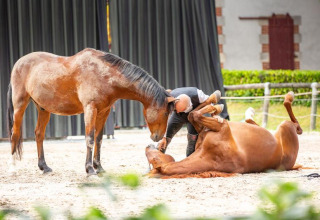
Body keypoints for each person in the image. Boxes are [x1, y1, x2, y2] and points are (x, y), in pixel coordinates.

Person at [157, 87, 221, 157]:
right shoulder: (171, 99)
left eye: (180, 109)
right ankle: (157, 158)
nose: (177, 111)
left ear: (188, 105)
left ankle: (189, 162)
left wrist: (214, 113)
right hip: (177, 116)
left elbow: (209, 103)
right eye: (176, 109)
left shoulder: (197, 94)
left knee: (192, 141)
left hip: (194, 118)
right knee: (165, 139)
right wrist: (164, 137)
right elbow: (165, 118)